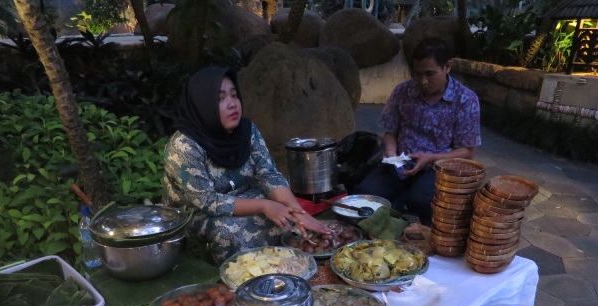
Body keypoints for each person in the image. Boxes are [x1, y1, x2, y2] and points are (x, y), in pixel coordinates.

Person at [163, 66, 331, 265]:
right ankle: (241, 275)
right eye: (220, 99)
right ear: (202, 105)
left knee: (285, 216)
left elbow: (268, 174)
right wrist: (264, 206)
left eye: (234, 95)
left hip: (245, 196)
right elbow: (208, 201)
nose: (232, 104)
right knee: (228, 230)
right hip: (197, 213)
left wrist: (297, 212)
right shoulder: (184, 147)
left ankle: (286, 267)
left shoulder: (246, 130)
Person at [352, 36, 481, 225]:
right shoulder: (403, 91)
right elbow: (390, 132)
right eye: (417, 73)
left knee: (422, 199)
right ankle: (382, 230)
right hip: (401, 161)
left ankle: (432, 235)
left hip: (438, 166)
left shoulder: (466, 100)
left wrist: (431, 158)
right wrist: (391, 152)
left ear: (447, 67)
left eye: (430, 74)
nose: (423, 81)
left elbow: (467, 151)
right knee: (365, 192)